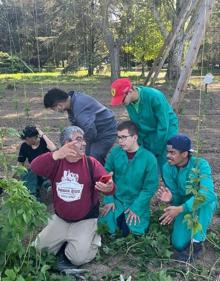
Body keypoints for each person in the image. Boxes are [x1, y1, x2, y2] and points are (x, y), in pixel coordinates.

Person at [31, 126, 115, 273]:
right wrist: (56, 154)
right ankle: (65, 241)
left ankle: (89, 238)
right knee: (37, 250)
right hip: (60, 219)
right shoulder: (56, 162)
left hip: (85, 220)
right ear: (66, 144)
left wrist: (109, 187)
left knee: (78, 258)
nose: (84, 143)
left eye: (84, 140)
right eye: (78, 140)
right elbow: (35, 167)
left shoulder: (91, 163)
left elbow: (107, 184)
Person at [157, 134, 217, 261]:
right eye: (167, 152)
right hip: (184, 206)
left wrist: (180, 209)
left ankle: (197, 243)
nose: (168, 155)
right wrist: (171, 198)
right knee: (178, 244)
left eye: (173, 152)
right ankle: (195, 229)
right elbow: (178, 198)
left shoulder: (200, 165)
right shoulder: (167, 168)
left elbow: (208, 193)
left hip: (200, 204)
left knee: (206, 200)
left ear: (184, 154)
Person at [100, 120, 158, 236]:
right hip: (117, 200)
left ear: (135, 137)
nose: (120, 141)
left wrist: (136, 207)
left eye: (124, 137)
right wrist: (109, 199)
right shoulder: (115, 153)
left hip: (136, 201)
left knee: (131, 232)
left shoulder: (149, 159)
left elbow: (149, 188)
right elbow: (105, 176)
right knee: (107, 229)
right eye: (119, 138)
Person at [110, 78, 179, 172]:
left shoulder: (154, 96)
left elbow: (163, 125)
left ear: (130, 91)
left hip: (166, 127)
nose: (121, 103)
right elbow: (137, 124)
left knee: (164, 158)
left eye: (122, 99)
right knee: (144, 157)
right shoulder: (129, 103)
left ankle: (168, 180)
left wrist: (156, 149)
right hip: (148, 128)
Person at [44, 87, 117, 165]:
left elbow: (90, 131)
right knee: (84, 154)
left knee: (93, 156)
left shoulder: (79, 110)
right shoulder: (72, 100)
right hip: (96, 130)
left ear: (59, 105)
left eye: (53, 109)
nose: (56, 111)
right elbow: (77, 127)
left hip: (106, 131)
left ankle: (101, 175)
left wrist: (80, 142)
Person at [17, 125, 56, 199]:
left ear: (32, 138)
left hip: (47, 170)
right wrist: (17, 176)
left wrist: (42, 134)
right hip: (34, 171)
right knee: (29, 172)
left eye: (27, 139)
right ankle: (33, 194)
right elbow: (20, 164)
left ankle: (49, 187)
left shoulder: (44, 142)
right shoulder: (24, 146)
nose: (26, 141)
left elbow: (53, 149)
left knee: (41, 172)